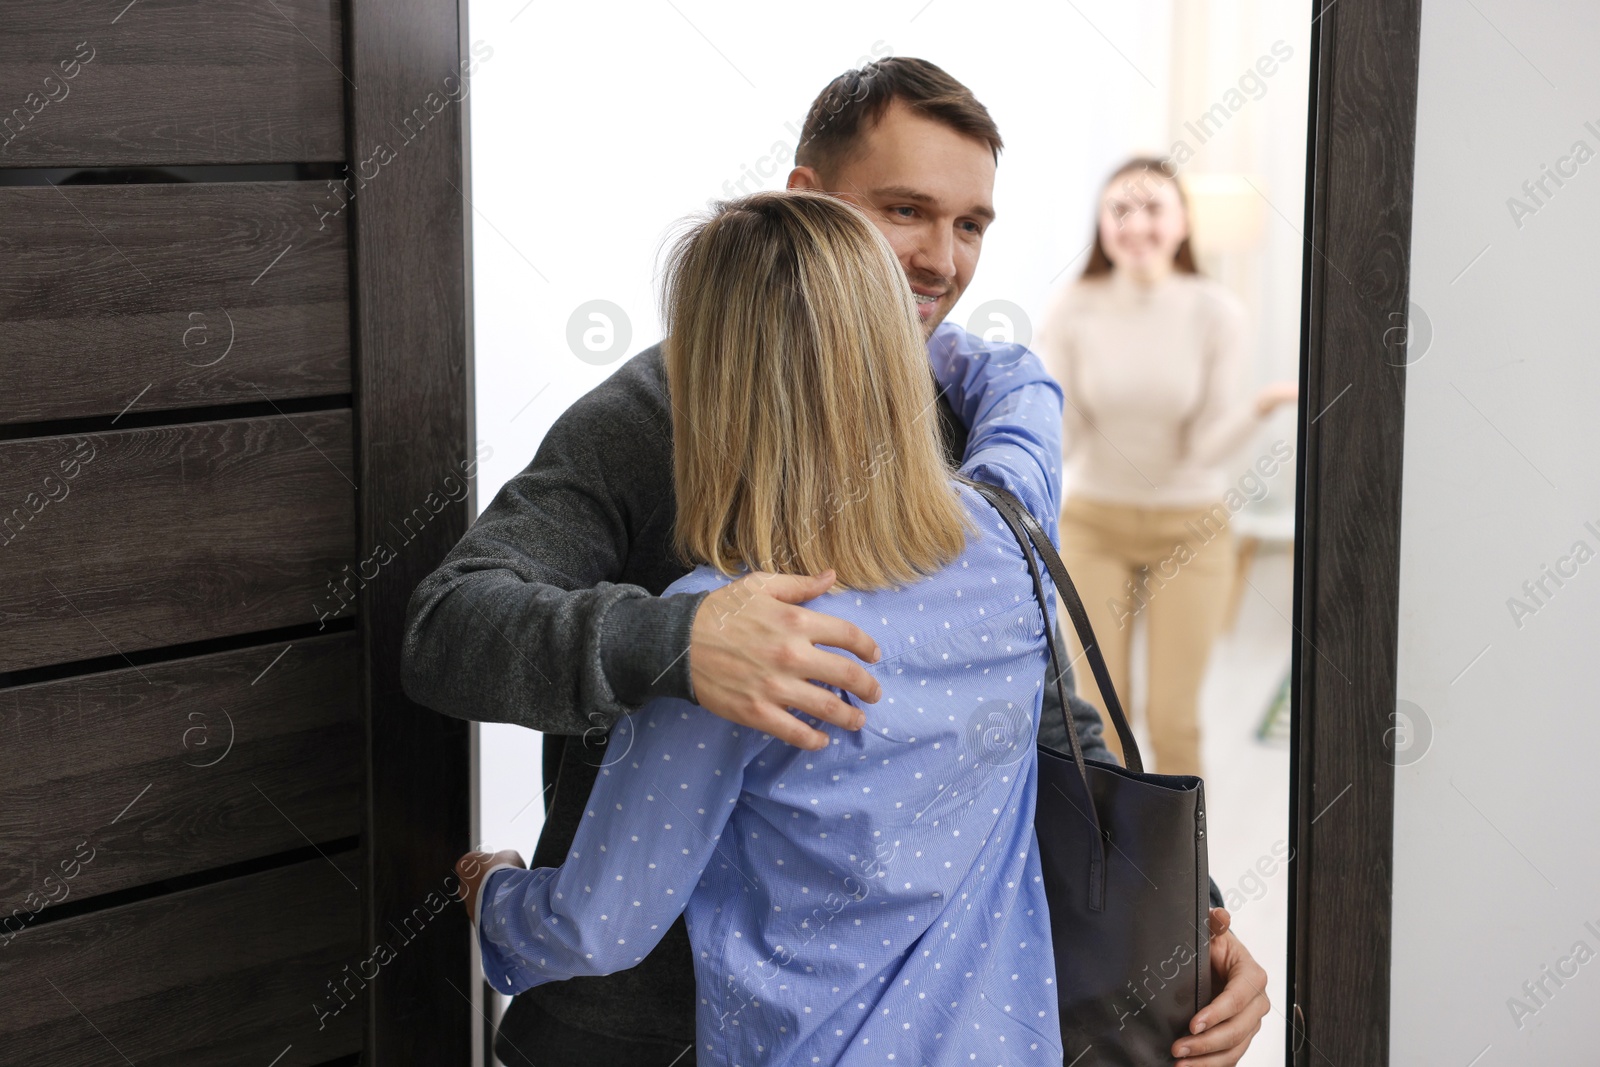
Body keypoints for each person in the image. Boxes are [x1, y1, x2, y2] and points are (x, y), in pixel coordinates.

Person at [404, 62, 1267, 1066]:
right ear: (803, 206)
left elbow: (1044, 716)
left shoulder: (963, 446)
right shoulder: (644, 423)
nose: (942, 260)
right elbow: (446, 627)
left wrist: (1186, 929)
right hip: (630, 1034)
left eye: (971, 224)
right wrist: (679, 640)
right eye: (904, 211)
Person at [459, 186, 1073, 1066]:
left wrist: (497, 898)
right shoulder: (1008, 539)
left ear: (711, 388)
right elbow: (1027, 395)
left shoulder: (729, 630)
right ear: (895, 357)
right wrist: (921, 334)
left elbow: (600, 927)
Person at [1034, 158, 1299, 778]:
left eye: (1154, 208)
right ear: (1101, 225)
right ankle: (1115, 864)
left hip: (1191, 527)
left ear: (1183, 225)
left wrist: (1260, 408)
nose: (1137, 224)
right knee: (1101, 711)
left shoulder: (1216, 312)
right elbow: (1065, 435)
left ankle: (1182, 865)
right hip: (1095, 523)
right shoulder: (1071, 308)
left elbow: (1205, 448)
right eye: (1120, 209)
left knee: (1174, 718)